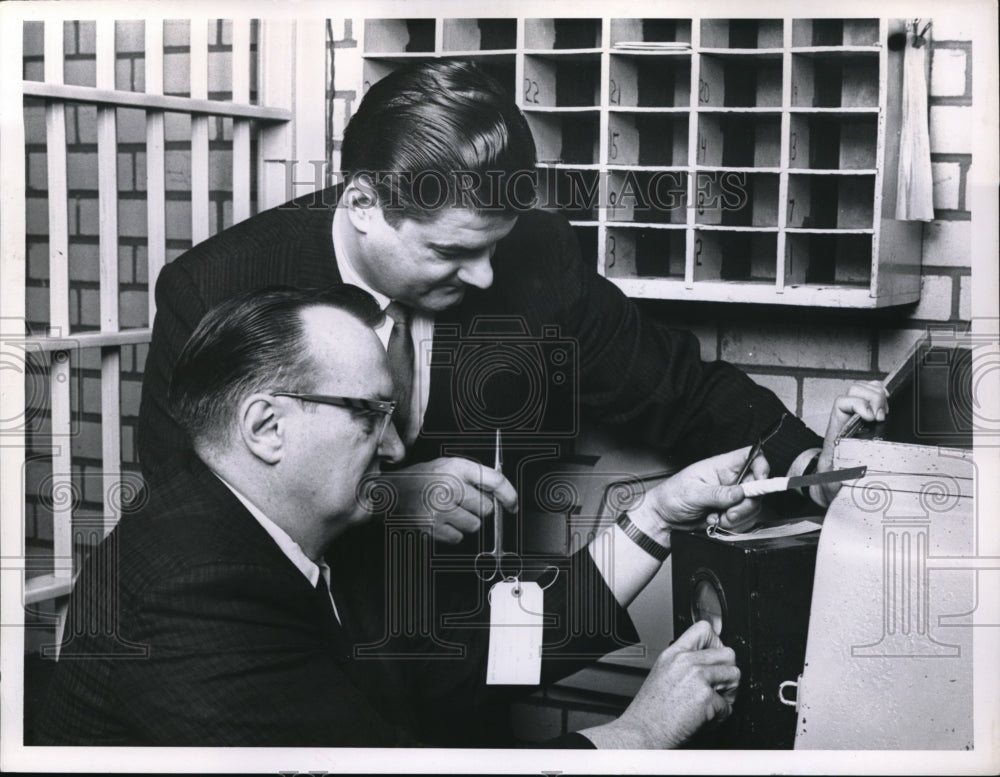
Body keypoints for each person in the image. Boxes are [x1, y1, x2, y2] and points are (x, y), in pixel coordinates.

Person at [136, 60, 889, 545]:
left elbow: (678, 389)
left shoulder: (536, 261)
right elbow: (189, 510)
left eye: (495, 244)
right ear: (363, 202)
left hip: (462, 662)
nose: (488, 276)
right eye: (453, 251)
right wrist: (387, 502)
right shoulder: (214, 288)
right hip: (293, 654)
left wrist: (811, 465)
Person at [37, 285, 762, 748]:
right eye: (369, 415)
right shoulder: (192, 585)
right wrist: (643, 729)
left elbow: (470, 659)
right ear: (266, 427)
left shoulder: (295, 533)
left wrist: (657, 517)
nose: (396, 445)